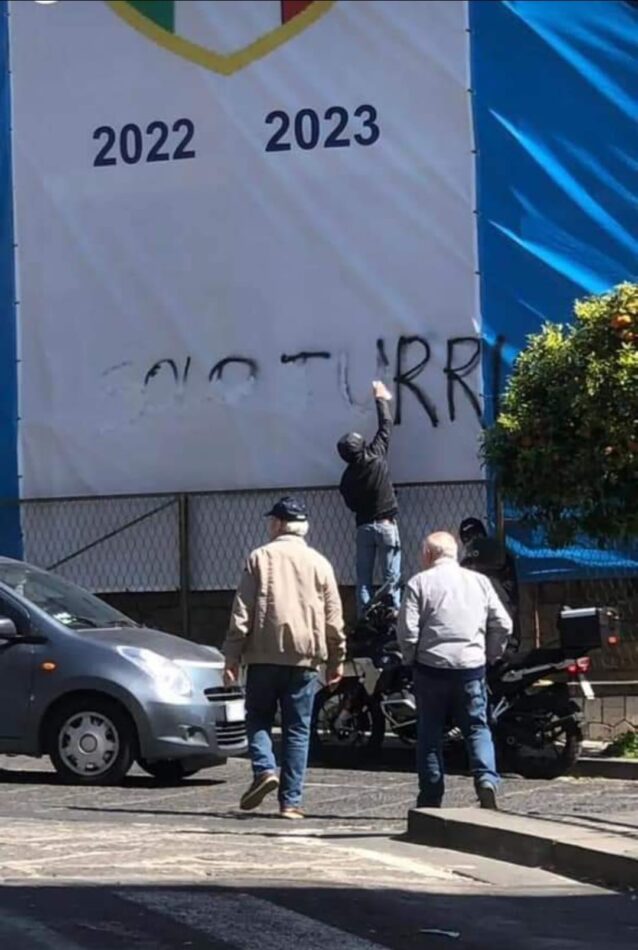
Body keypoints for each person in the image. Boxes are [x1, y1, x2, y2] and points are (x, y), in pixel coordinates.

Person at [223, 495, 345, 820]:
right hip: (305, 658)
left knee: (258, 716)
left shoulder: (260, 557)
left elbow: (242, 612)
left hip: (263, 654)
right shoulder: (321, 563)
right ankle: (290, 803)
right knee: (298, 729)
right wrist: (337, 660)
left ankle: (264, 769)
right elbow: (334, 618)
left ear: (278, 524)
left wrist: (231, 657)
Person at [397, 531, 513, 810]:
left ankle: (431, 795)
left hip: (431, 668)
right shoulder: (480, 582)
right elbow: (503, 624)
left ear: (427, 554)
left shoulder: (418, 583)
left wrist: (411, 659)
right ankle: (486, 779)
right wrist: (489, 655)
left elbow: (408, 632)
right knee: (476, 727)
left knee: (429, 733)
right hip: (470, 667)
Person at [337, 380, 401, 616]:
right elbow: (386, 425)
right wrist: (380, 397)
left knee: (363, 578)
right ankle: (393, 615)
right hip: (386, 526)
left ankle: (365, 617)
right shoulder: (375, 456)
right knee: (391, 577)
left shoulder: (346, 479)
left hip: (364, 527)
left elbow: (351, 504)